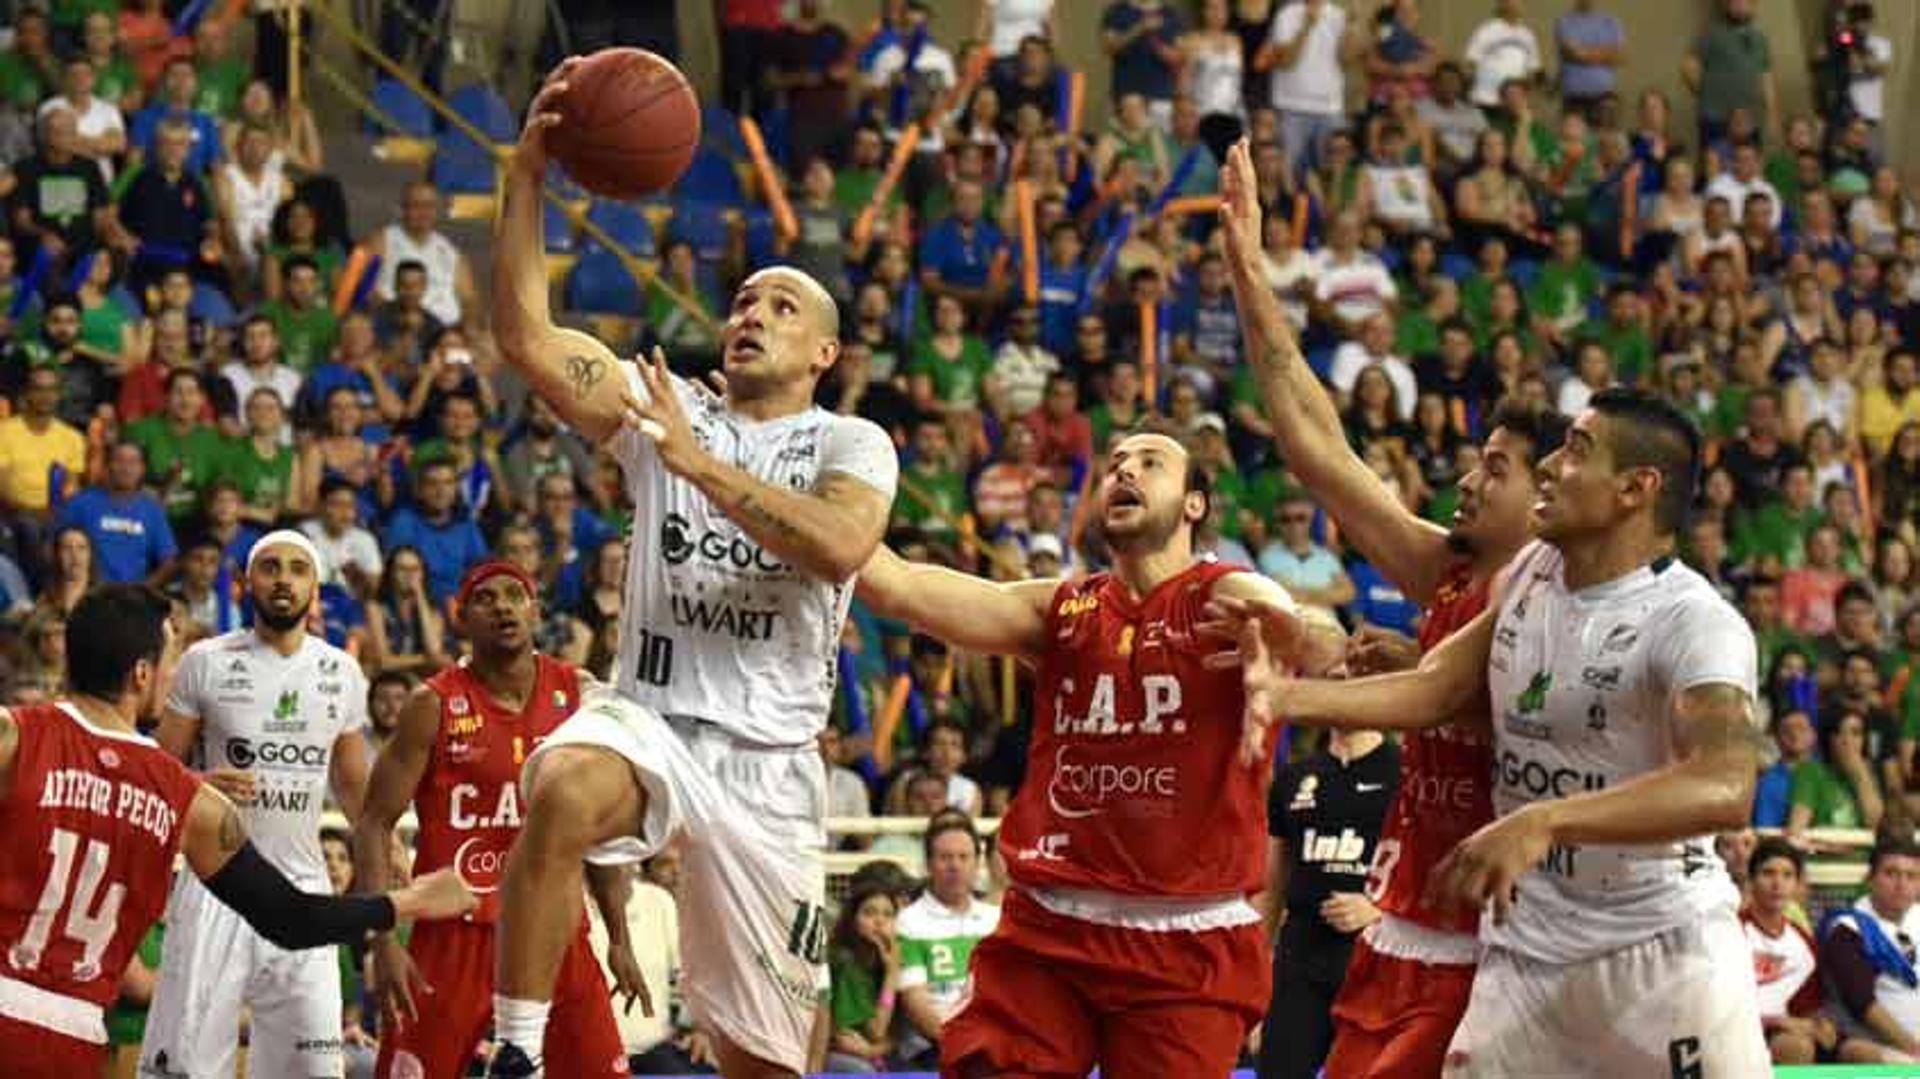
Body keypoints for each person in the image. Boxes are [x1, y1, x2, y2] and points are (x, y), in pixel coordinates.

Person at [484, 59, 899, 1079]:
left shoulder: (851, 443)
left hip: (772, 766)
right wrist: (526, 174)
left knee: (770, 1060)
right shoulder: (669, 403)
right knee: (566, 788)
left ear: (826, 352)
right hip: (656, 722)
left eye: (782, 307)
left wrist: (699, 465)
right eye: (746, 299)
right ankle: (515, 1052)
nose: (751, 312)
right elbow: (528, 337)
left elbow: (840, 546)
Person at [1226, 386, 1771, 1075]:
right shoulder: (1532, 574)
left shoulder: (1696, 621)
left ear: (1636, 488)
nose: (1548, 465)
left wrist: (1543, 820)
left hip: (1660, 944)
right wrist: (1282, 695)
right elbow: (1435, 686)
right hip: (1526, 951)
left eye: (1576, 450)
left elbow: (1724, 784)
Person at [856, 408, 1345, 1076]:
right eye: (1116, 463)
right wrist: (778, 469)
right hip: (1050, 923)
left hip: (1186, 936)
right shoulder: (1060, 608)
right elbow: (898, 585)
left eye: (1150, 462)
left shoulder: (1222, 594)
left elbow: (1295, 621)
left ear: (1195, 502)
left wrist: (1284, 635)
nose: (1125, 470)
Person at [1215, 136, 1563, 1075]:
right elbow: (1320, 454)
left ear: (1547, 496)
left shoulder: (1544, 591)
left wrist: (1295, 691)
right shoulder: (1448, 570)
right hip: (1411, 906)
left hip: (1504, 930)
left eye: (1495, 467)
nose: (1467, 477)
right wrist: (1250, 270)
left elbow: (1452, 695)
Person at [0, 583, 476, 1077]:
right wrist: (411, 901)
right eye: (171, 658)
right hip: (74, 1037)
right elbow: (292, 919)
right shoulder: (189, 799)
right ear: (141, 673)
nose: (173, 672)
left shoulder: (13, 736)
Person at [353, 561, 634, 1078]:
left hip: (557, 930)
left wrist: (618, 937)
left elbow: (599, 831)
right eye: (486, 598)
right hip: (453, 934)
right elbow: (373, 823)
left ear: (535, 610)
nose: (503, 606)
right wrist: (382, 939)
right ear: (461, 617)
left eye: (514, 595)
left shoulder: (578, 694)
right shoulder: (432, 704)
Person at [140, 532, 378, 1079]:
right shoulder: (205, 661)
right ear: (247, 582)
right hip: (214, 888)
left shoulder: (341, 672)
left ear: (314, 588)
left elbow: (353, 787)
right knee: (188, 1067)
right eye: (270, 568)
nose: (283, 579)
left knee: (314, 1070)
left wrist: (384, 845)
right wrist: (200, 780)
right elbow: (155, 775)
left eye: (297, 569)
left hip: (303, 888)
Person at [1258, 725, 1399, 1079]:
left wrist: (1381, 909)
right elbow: (1272, 885)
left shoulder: (1406, 771)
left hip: (1375, 959)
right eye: (1334, 680)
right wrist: (1256, 976)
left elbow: (1437, 863)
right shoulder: (1295, 778)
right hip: (1300, 956)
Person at [893, 810, 1000, 1067]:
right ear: (928, 864)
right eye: (945, 857)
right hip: (933, 1048)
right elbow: (915, 1003)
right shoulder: (909, 922)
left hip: (993, 1044)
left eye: (964, 857)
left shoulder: (995, 920)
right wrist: (963, 1045)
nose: (955, 865)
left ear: (977, 863)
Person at [1817, 834, 1920, 1062]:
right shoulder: (1847, 929)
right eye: (1891, 873)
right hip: (1878, 1050)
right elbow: (1863, 1005)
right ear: (1870, 879)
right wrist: (1915, 1049)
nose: (1901, 884)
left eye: (1911, 876)